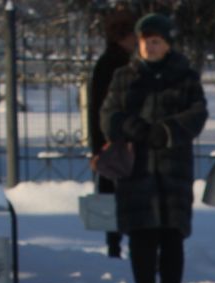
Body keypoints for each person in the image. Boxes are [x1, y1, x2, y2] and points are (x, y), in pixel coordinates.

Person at [99, 12, 207, 283]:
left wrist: (167, 131)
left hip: (173, 167)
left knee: (172, 237)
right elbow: (108, 115)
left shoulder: (185, 76)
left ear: (168, 44)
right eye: (146, 42)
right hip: (139, 169)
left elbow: (197, 114)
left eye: (156, 42)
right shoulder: (125, 76)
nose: (150, 48)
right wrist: (130, 126)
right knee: (142, 237)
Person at [85, 2, 139, 260]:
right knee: (120, 193)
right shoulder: (116, 65)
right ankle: (116, 244)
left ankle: (116, 242)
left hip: (112, 140)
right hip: (116, 140)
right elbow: (100, 108)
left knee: (116, 191)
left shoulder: (115, 62)